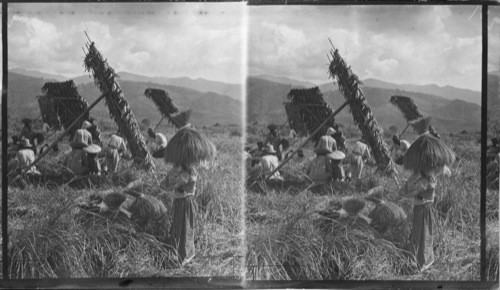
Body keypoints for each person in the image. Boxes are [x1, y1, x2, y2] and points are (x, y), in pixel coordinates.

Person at [161, 110, 216, 265]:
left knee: (184, 228)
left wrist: (172, 179)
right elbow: (169, 184)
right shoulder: (183, 170)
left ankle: (183, 256)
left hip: (185, 203)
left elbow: (174, 186)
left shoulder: (189, 173)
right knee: (179, 227)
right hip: (180, 202)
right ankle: (177, 252)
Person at [400, 133, 455, 272]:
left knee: (423, 234)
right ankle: (417, 259)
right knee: (419, 233)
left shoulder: (429, 179)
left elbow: (411, 192)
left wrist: (415, 186)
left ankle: (422, 261)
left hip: (424, 209)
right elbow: (408, 190)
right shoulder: (421, 176)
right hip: (420, 208)